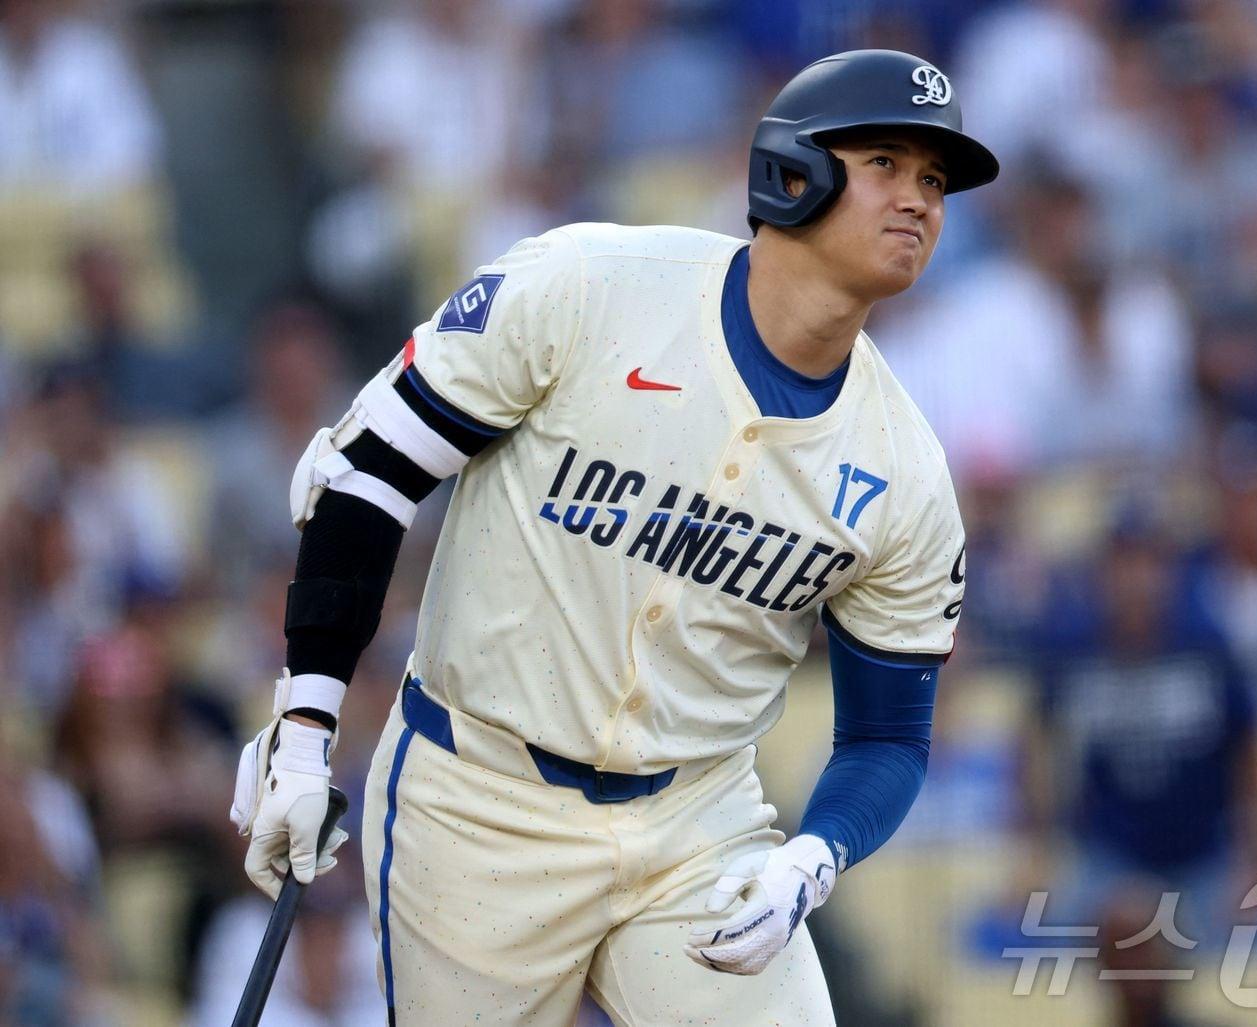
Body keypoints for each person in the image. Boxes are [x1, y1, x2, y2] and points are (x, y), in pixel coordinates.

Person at [229, 49, 998, 1024]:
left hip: (696, 824)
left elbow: (888, 734)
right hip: (478, 800)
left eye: (933, 180)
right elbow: (370, 475)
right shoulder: (589, 286)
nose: (918, 200)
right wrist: (304, 734)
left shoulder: (906, 470)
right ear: (789, 171)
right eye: (885, 162)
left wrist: (814, 852)